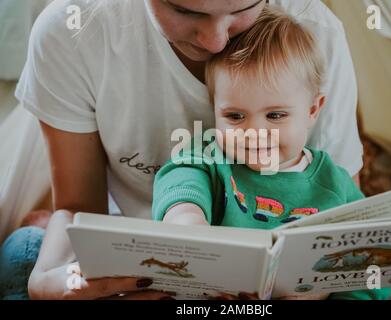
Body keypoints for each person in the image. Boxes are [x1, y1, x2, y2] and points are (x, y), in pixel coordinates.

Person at [1, 0, 363, 300]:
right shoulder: (73, 30)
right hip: (145, 270)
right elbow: (82, 211)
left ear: (314, 108)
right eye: (186, 11)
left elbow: (347, 232)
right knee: (22, 254)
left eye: (244, 8)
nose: (216, 41)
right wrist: (53, 283)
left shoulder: (316, 33)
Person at [152, 7, 391, 300]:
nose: (254, 132)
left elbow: (371, 272)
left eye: (275, 115)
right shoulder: (209, 156)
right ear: (214, 108)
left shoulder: (334, 183)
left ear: (312, 109)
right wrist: (186, 219)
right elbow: (180, 178)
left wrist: (325, 293)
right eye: (235, 116)